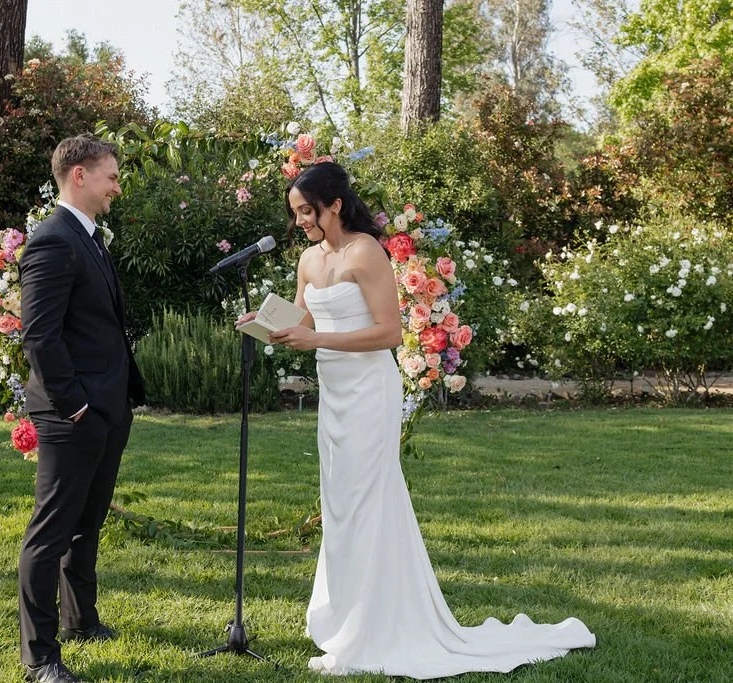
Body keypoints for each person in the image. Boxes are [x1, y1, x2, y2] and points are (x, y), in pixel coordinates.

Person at [238, 162, 595, 678]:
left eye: (307, 211)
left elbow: (388, 333)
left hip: (368, 391)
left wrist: (316, 339)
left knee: (368, 499)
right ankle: (348, 619)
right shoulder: (309, 259)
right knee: (340, 503)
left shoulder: (366, 251)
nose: (300, 222)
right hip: (333, 394)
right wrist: (266, 324)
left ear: (335, 204)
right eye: (295, 214)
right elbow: (305, 319)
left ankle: (378, 626)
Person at [17, 135, 145, 683]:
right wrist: (74, 407)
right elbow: (40, 336)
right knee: (51, 531)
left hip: (106, 408)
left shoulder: (88, 237)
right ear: (79, 175)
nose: (116, 187)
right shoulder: (52, 242)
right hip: (72, 412)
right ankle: (40, 657)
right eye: (111, 176)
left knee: (87, 522)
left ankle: (80, 620)